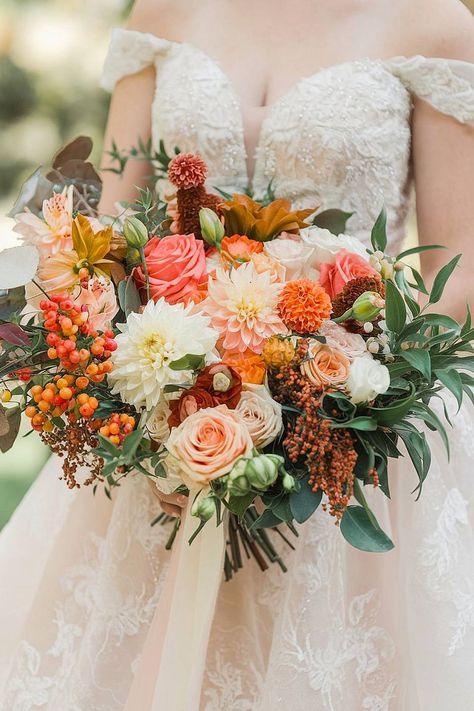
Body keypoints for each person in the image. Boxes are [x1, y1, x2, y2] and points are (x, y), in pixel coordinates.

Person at [1, 0, 474, 708]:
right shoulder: (165, 10)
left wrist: (337, 405)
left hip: (349, 431)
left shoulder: (432, 23)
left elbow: (459, 261)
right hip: (160, 416)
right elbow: (105, 227)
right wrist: (147, 406)